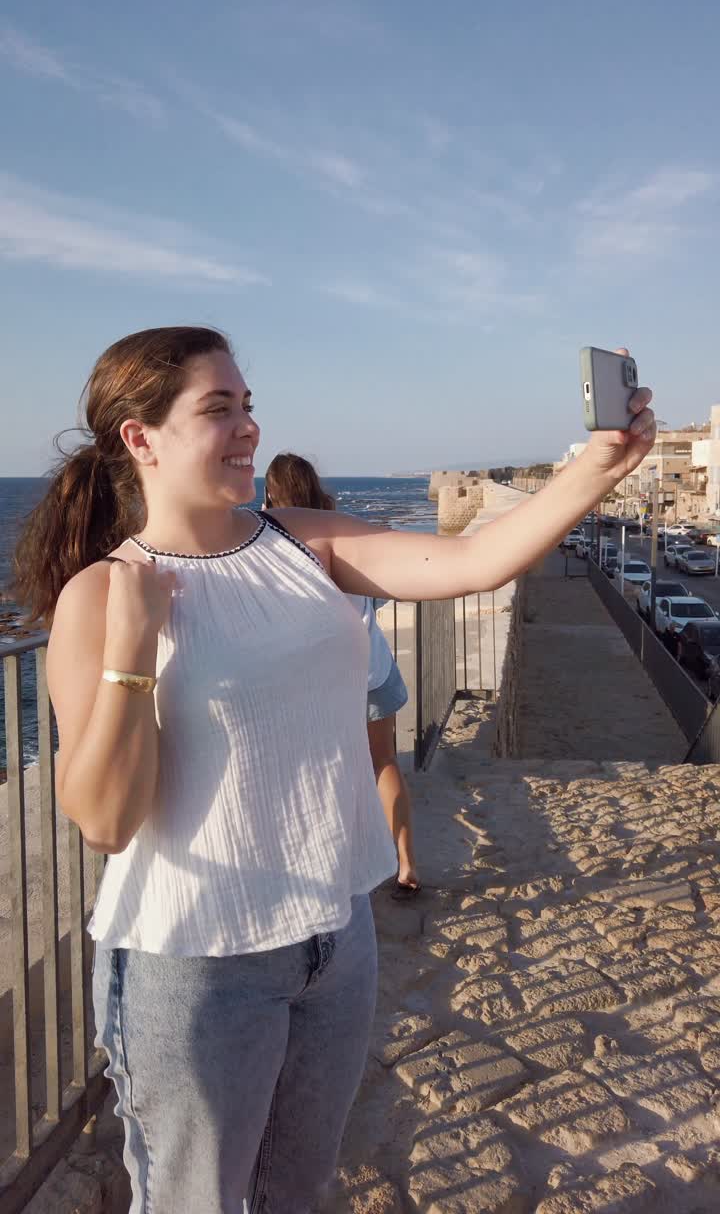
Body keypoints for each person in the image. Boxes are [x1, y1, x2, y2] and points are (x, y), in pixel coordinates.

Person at [12, 328, 655, 1214]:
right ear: (140, 437)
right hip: (193, 964)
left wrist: (601, 466)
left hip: (332, 934)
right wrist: (130, 649)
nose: (248, 428)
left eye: (246, 404)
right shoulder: (103, 595)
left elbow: (471, 561)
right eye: (217, 409)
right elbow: (105, 821)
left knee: (298, 1190)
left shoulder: (302, 544)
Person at [263, 452, 420, 897]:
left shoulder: (276, 547)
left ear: (271, 494)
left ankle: (335, 871)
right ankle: (406, 862)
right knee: (383, 763)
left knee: (322, 773)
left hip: (324, 683)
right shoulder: (344, 532)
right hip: (374, 669)